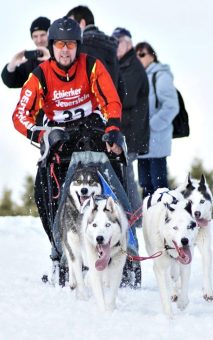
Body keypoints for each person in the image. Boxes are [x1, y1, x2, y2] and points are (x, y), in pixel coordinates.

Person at [12, 16, 123, 265]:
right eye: (60, 45)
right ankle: (59, 248)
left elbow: (111, 99)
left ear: (78, 46)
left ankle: (126, 248)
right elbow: (20, 115)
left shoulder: (91, 65)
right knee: (43, 189)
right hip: (59, 133)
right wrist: (41, 135)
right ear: (51, 47)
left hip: (92, 128)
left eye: (70, 45)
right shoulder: (39, 74)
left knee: (116, 163)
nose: (65, 51)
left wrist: (113, 127)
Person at [112, 28, 149, 223]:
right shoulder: (122, 65)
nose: (115, 45)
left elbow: (126, 98)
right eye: (114, 41)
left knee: (127, 175)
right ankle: (131, 215)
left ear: (128, 43)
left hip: (132, 134)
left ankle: (137, 218)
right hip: (125, 132)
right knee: (123, 174)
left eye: (118, 41)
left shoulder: (133, 67)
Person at [135, 41, 179, 198]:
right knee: (145, 186)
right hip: (143, 142)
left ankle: (164, 219)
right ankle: (149, 220)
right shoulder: (140, 77)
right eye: (136, 54)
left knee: (158, 186)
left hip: (157, 140)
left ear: (152, 56)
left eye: (142, 54)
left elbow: (171, 106)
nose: (138, 57)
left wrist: (152, 125)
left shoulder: (161, 75)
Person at [66, 5, 121, 92]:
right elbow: (120, 86)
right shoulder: (111, 47)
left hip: (91, 104)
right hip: (110, 103)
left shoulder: (83, 46)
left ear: (82, 23)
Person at [1, 16, 51, 88]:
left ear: (50, 35)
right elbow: (11, 82)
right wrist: (11, 66)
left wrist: (52, 61)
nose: (39, 40)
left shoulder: (63, 52)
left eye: (42, 35)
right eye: (35, 36)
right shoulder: (31, 62)